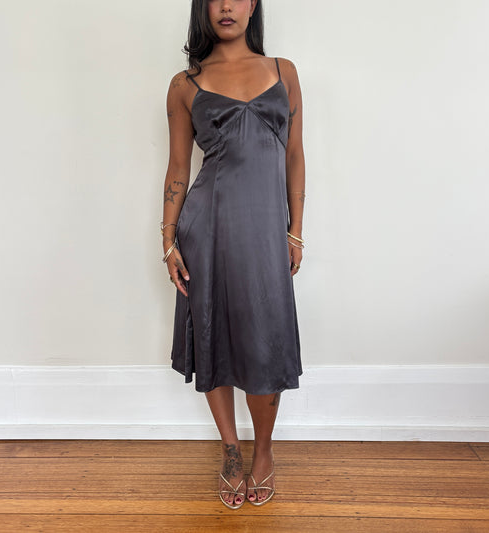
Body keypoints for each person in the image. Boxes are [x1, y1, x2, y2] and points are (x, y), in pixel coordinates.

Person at [161, 0, 305, 509]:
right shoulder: (185, 84)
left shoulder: (283, 72)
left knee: (266, 340)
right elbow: (179, 166)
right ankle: (230, 449)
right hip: (207, 228)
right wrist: (168, 239)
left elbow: (294, 155)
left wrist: (295, 231)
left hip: (265, 231)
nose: (226, 5)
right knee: (213, 335)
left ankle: (263, 450)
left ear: (252, 5)